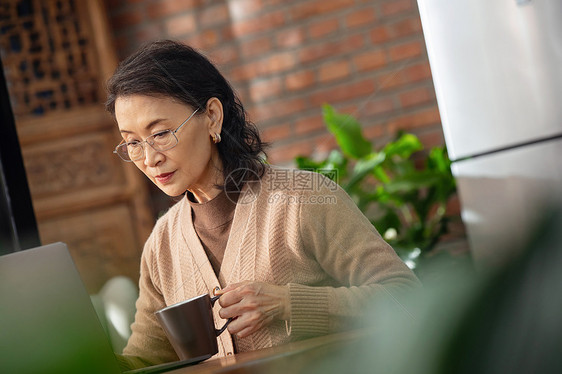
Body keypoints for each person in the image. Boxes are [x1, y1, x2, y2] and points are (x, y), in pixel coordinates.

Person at [105, 40, 420, 368]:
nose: (150, 158)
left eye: (161, 134)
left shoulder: (302, 199)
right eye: (132, 143)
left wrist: (287, 303)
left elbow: (406, 299)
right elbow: (145, 360)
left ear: (212, 117)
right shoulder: (162, 244)